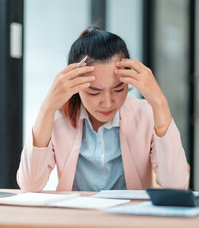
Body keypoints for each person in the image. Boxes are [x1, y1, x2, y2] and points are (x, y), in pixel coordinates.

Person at [17, 27, 189, 192]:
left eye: (118, 89)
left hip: (129, 220)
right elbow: (30, 185)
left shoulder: (145, 114)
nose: (107, 103)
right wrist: (47, 107)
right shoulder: (57, 118)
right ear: (75, 85)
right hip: (77, 220)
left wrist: (159, 102)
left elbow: (175, 186)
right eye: (94, 91)